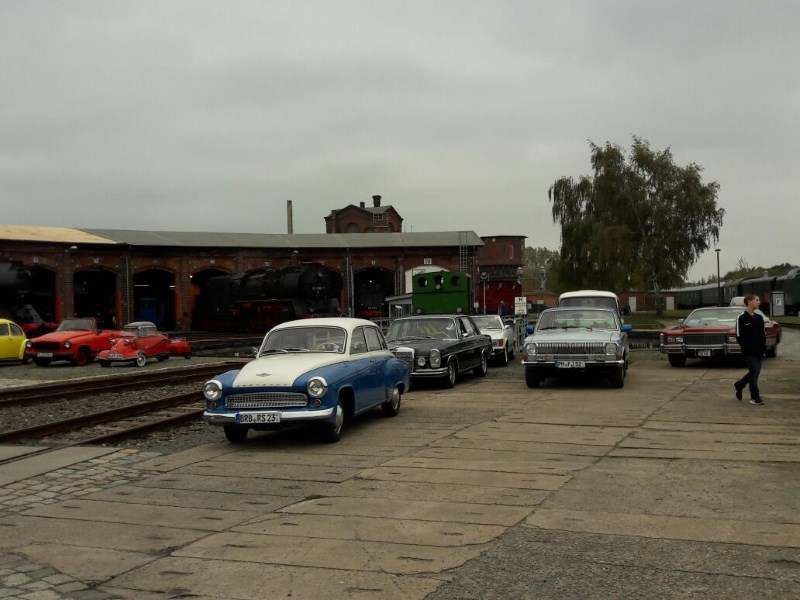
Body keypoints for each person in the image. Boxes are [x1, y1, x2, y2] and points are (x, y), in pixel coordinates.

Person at [733, 294, 767, 405]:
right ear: (749, 301)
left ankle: (739, 384)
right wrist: (747, 348)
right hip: (748, 352)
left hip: (759, 351)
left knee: (754, 372)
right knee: (755, 371)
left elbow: (763, 335)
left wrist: (763, 348)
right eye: (757, 300)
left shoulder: (759, 318)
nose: (759, 302)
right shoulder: (741, 318)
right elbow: (739, 336)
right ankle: (754, 397)